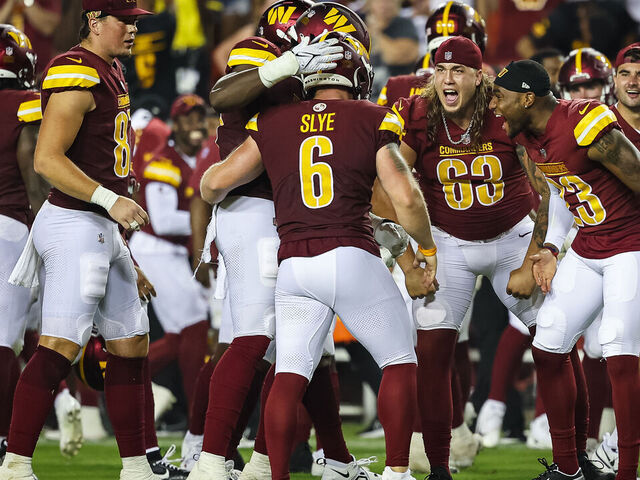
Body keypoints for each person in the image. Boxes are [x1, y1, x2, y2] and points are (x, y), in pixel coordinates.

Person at [199, 34, 437, 480]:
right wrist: (424, 247)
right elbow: (403, 197)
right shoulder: (373, 117)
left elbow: (212, 185)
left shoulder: (273, 120)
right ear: (360, 75)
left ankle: (275, 475)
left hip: (294, 266)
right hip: (350, 252)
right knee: (399, 361)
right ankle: (398, 472)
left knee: (290, 373)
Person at [373, 36, 550, 480]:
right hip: (446, 241)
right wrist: (409, 260)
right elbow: (384, 191)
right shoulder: (417, 112)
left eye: (458, 71)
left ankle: (575, 458)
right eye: (440, 70)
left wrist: (535, 256)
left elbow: (550, 191)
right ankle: (438, 467)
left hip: (513, 235)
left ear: (478, 76)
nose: (447, 79)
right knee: (431, 353)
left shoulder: (504, 109)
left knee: (558, 342)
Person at [0, 0, 158, 477]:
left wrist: (122, 242)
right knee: (59, 346)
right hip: (75, 223)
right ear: (95, 21)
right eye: (124, 21)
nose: (133, 29)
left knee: (131, 344)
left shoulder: (110, 69)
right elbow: (47, 159)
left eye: (135, 21)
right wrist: (112, 204)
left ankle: (136, 466)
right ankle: (15, 463)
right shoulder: (74, 69)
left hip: (101, 227)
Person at [491, 59, 640, 480]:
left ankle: (628, 471)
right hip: (590, 248)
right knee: (550, 340)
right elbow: (560, 192)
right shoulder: (532, 135)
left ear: (527, 97)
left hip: (631, 245)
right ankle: (571, 469)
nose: (495, 108)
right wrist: (552, 247)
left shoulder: (581, 120)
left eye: (501, 97)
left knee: (617, 346)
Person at [129, 93, 210, 411]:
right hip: (157, 252)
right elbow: (162, 222)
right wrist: (208, 221)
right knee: (194, 328)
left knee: (183, 337)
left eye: (199, 117)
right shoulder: (163, 161)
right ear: (173, 124)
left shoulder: (203, 154)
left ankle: (123, 379)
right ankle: (198, 419)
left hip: (178, 253)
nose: (195, 124)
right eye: (187, 117)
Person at [587, 41, 640, 478]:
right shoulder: (599, 125)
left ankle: (612, 448)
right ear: (614, 80)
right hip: (606, 251)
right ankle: (603, 447)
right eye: (626, 72)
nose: (634, 81)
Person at [0, 23, 46, 464]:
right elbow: (33, 176)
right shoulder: (25, 105)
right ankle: (1, 441)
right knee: (5, 339)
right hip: (9, 226)